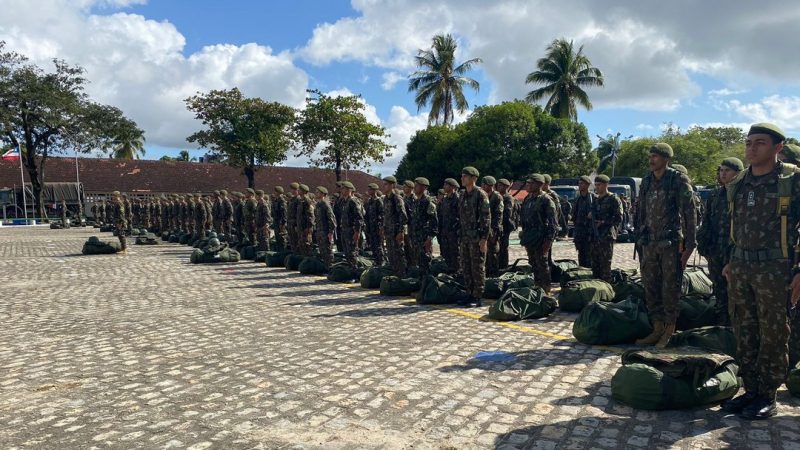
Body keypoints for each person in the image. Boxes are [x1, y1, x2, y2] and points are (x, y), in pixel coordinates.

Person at [721, 123, 800, 420]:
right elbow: (736, 225)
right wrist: (731, 260)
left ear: (778, 147)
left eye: (760, 143)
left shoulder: (791, 181)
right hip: (741, 266)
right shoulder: (740, 182)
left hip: (775, 268)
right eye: (749, 143)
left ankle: (768, 394)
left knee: (774, 332)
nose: (752, 148)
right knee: (744, 329)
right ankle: (751, 389)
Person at [634, 143, 697, 348]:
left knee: (670, 288)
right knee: (651, 287)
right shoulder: (646, 181)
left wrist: (689, 244)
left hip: (670, 243)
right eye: (650, 156)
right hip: (649, 242)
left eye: (656, 156)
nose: (651, 160)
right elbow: (641, 211)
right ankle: (657, 327)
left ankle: (670, 329)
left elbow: (689, 212)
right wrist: (639, 237)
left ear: (666, 159)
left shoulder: (677, 179)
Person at [696, 157, 743, 326]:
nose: (723, 174)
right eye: (721, 170)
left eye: (727, 171)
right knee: (719, 288)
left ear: (738, 174)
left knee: (736, 292)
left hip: (735, 251)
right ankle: (722, 325)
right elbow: (706, 221)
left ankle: (735, 327)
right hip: (716, 250)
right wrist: (704, 247)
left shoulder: (741, 193)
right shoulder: (715, 194)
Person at [458, 167, 490, 306]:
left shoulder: (480, 194)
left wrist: (484, 239)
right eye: (462, 176)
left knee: (477, 267)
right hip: (465, 237)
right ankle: (469, 293)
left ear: (473, 178)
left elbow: (486, 218)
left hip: (477, 238)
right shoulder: (463, 194)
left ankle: (478, 296)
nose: (462, 178)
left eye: (465, 176)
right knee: (466, 266)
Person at [519, 174, 557, 293]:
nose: (528, 185)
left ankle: (545, 291)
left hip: (541, 239)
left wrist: (549, 241)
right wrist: (525, 237)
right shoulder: (527, 198)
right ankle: (537, 287)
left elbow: (553, 223)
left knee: (542, 265)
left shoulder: (546, 200)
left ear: (539, 185)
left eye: (531, 183)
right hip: (530, 237)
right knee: (533, 264)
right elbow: (524, 218)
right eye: (528, 183)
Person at [590, 175, 622, 282]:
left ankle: (607, 288)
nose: (597, 187)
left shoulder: (613, 199)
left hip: (606, 236)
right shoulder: (596, 200)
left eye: (599, 185)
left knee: (605, 265)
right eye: (596, 185)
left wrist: (603, 222)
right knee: (595, 265)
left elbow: (619, 217)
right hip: (595, 236)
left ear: (606, 185)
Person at [410, 177, 437, 277]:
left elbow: (434, 223)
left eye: (416, 186)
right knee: (419, 264)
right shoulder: (416, 202)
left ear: (423, 187)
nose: (414, 188)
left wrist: (429, 239)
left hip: (424, 238)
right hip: (417, 238)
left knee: (426, 264)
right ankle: (421, 286)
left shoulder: (428, 202)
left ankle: (427, 288)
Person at [381, 176, 408, 276]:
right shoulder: (385, 199)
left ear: (392, 185)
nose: (383, 186)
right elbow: (386, 215)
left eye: (386, 184)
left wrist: (401, 232)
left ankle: (401, 277)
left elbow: (403, 216)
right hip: (389, 232)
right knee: (391, 255)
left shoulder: (396, 198)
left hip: (396, 232)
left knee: (398, 255)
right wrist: (384, 228)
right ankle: (394, 278)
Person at [481, 176, 504, 277]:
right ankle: (487, 273)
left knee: (493, 253)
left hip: (493, 229)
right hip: (485, 228)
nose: (482, 186)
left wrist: (494, 230)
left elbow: (499, 215)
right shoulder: (483, 195)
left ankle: (494, 275)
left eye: (484, 184)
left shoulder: (497, 197)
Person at [572, 175, 595, 267]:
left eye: (582, 183)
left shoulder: (593, 198)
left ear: (587, 185)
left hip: (590, 232)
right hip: (579, 232)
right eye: (579, 183)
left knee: (590, 256)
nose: (580, 185)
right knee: (581, 255)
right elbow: (574, 215)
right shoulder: (577, 199)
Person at [338, 181, 364, 266]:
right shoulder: (344, 201)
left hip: (351, 231)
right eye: (341, 188)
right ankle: (350, 270)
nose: (341, 190)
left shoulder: (353, 201)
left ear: (349, 190)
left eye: (343, 188)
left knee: (352, 252)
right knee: (347, 252)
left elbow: (359, 218)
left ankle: (355, 272)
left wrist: (357, 232)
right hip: (345, 230)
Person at [438, 178, 461, 273]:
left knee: (455, 253)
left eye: (446, 185)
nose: (444, 187)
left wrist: (457, 228)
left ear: (453, 187)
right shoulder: (445, 199)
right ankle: (448, 271)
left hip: (454, 231)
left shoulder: (458, 199)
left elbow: (461, 216)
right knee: (446, 252)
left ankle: (457, 271)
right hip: (445, 230)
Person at [497, 178, 517, 271]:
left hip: (505, 225)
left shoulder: (508, 197)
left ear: (506, 187)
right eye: (498, 185)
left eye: (501, 185)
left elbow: (507, 213)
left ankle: (503, 266)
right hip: (499, 226)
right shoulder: (497, 196)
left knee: (503, 247)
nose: (498, 187)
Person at [314, 186, 336, 269]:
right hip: (319, 230)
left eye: (318, 192)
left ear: (323, 194)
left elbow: (332, 220)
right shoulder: (318, 205)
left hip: (325, 231)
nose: (316, 193)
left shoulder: (325, 205)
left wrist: (331, 232)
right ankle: (325, 267)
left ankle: (330, 267)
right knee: (322, 250)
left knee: (328, 250)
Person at [364, 183, 385, 266]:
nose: (369, 191)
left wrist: (381, 227)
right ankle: (376, 262)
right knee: (373, 246)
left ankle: (381, 263)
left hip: (377, 228)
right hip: (370, 228)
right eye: (368, 189)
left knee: (379, 246)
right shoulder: (369, 201)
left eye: (370, 189)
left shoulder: (378, 201)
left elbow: (383, 215)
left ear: (375, 191)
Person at [296, 184, 315, 256]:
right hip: (301, 227)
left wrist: (309, 227)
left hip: (306, 228)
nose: (298, 191)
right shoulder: (301, 201)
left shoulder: (307, 201)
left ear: (303, 191)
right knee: (302, 245)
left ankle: (308, 261)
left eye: (299, 190)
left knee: (307, 245)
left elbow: (311, 215)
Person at [271, 187, 288, 252]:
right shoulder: (276, 201)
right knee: (277, 239)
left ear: (278, 192)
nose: (274, 193)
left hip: (281, 223)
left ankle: (283, 253)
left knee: (282, 239)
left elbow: (284, 214)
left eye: (275, 192)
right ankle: (279, 253)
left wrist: (282, 224)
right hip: (276, 222)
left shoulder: (282, 201)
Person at [287, 182, 301, 252]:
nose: (291, 191)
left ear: (297, 190)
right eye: (291, 189)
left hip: (295, 223)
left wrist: (296, 225)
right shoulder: (291, 200)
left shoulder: (298, 200)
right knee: (292, 241)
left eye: (293, 189)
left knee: (296, 241)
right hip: (290, 223)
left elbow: (298, 214)